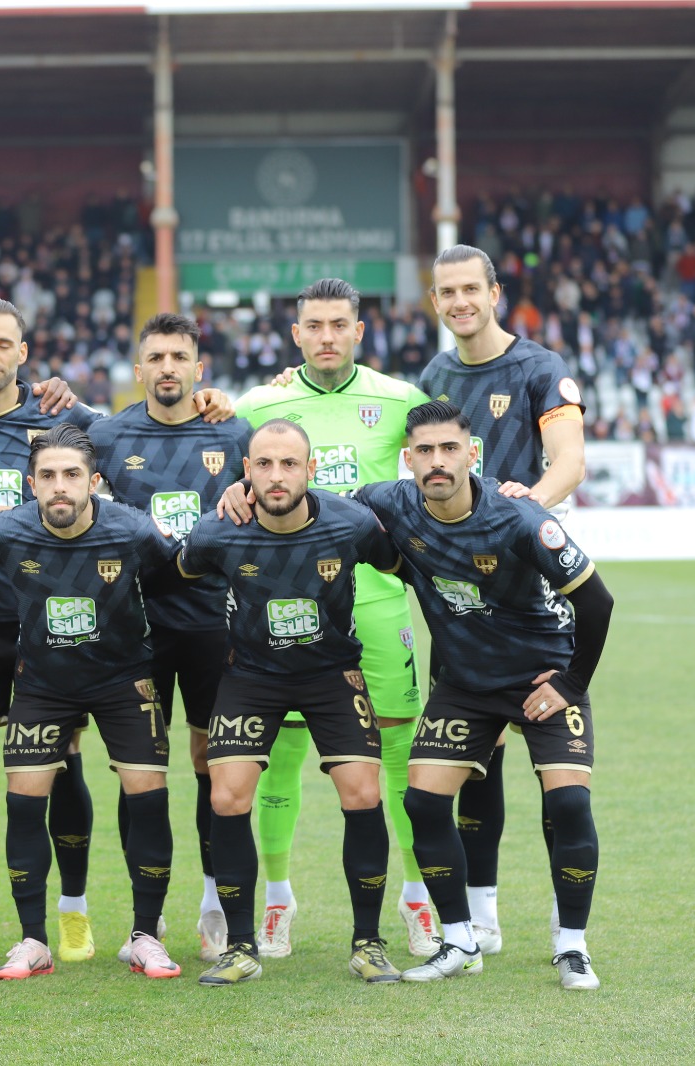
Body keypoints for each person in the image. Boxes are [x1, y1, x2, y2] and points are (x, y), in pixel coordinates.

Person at [0, 298, 236, 966]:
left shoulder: (67, 416)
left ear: (25, 352)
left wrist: (214, 404)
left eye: (5, 343)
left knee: (68, 770)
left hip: (80, 638)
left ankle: (75, 913)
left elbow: (151, 455)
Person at [355, 401, 612, 990]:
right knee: (422, 802)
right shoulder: (388, 501)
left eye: (450, 449)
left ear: (474, 454)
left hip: (540, 679)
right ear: (408, 459)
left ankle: (571, 947)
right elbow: (326, 512)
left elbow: (597, 601)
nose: (437, 462)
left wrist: (570, 684)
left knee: (569, 804)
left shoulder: (519, 519)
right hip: (466, 684)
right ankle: (459, 940)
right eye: (425, 451)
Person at [223, 278, 435, 959]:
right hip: (283, 608)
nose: (326, 337)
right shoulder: (260, 404)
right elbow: (227, 479)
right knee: (280, 755)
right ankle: (277, 900)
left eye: (338, 324)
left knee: (396, 754)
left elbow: (449, 461)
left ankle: (416, 899)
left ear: (359, 330)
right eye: (313, 325)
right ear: (295, 335)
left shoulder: (400, 400)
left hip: (374, 600)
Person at [0, 423, 185, 981]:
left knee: (147, 794)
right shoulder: (4, 532)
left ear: (95, 482)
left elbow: (175, 569)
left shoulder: (132, 530)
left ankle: (145, 936)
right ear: (31, 484)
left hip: (124, 678)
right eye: (48, 476)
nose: (60, 487)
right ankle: (33, 941)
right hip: (41, 682)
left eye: (72, 475)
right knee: (24, 798)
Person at [178, 419, 402, 986]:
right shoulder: (217, 531)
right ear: (246, 470)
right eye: (264, 464)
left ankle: (369, 942)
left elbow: (402, 565)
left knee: (363, 791)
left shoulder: (350, 523)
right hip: (252, 675)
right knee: (226, 795)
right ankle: (241, 947)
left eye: (289, 464)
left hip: (332, 672)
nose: (276, 476)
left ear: (311, 470)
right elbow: (174, 573)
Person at [419, 244, 588, 956]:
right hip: (463, 598)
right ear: (435, 302)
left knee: (560, 778)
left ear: (495, 292)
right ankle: (482, 919)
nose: (459, 302)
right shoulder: (435, 374)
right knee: (474, 767)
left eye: (470, 289)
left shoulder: (540, 369)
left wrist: (529, 515)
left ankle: (568, 925)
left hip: (534, 590)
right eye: (446, 292)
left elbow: (570, 462)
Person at [88, 311, 250, 964]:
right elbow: (49, 464)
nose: (167, 369)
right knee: (141, 775)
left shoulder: (232, 431)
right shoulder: (106, 434)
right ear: (138, 369)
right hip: (136, 629)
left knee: (214, 767)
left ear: (198, 369)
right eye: (155, 358)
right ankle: (144, 924)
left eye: (179, 358)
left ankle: (214, 900)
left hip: (215, 625)